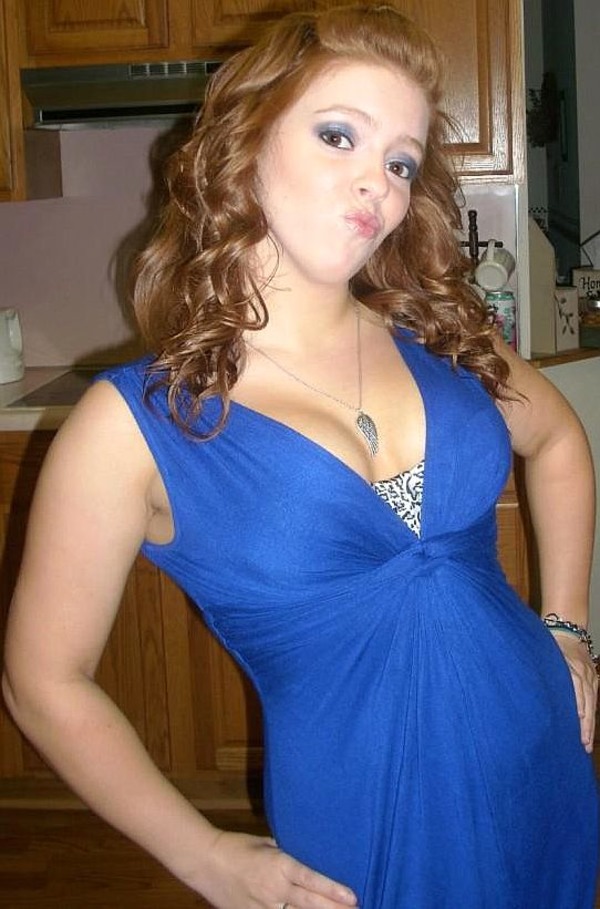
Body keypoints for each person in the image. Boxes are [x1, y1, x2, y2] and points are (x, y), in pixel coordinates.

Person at [2, 5, 598, 907]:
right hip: (360, 822)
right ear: (245, 141)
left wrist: (568, 627)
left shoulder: (440, 335)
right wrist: (205, 855)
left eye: (400, 162)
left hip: (544, 760)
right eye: (338, 135)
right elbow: (42, 681)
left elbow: (557, 440)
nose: (377, 185)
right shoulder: (134, 425)